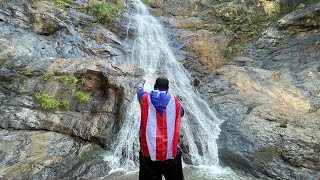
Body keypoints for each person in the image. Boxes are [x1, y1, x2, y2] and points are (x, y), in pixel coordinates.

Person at [137, 77, 185, 180]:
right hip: (170, 151)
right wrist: (179, 100)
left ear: (154, 87)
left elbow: (139, 90)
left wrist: (142, 81)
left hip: (149, 151)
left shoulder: (144, 98)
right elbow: (181, 112)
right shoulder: (175, 102)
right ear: (168, 88)